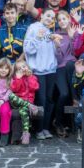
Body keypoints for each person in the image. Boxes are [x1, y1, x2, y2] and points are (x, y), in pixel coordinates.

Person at [23, 9, 59, 140]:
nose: (50, 18)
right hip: (38, 71)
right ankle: (38, 129)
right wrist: (38, 37)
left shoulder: (51, 32)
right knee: (41, 100)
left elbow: (53, 53)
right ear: (42, 15)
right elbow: (28, 50)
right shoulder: (33, 28)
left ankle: (46, 128)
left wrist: (56, 43)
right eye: (48, 15)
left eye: (52, 17)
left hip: (51, 70)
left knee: (49, 100)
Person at [53, 11, 80, 137]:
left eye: (64, 18)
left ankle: (75, 99)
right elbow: (58, 59)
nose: (62, 21)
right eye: (60, 20)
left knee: (71, 64)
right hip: (60, 68)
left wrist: (72, 37)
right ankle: (57, 122)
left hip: (72, 67)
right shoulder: (56, 35)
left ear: (69, 19)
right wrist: (57, 47)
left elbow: (76, 52)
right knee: (63, 94)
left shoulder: (74, 31)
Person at [9, 60, 40, 145]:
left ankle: (26, 133)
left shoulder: (32, 77)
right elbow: (15, 89)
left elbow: (35, 88)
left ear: (28, 67)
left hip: (27, 101)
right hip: (17, 101)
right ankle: (29, 105)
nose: (22, 69)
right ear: (16, 71)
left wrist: (30, 77)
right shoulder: (16, 78)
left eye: (24, 66)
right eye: (19, 69)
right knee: (10, 95)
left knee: (23, 111)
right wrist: (18, 78)